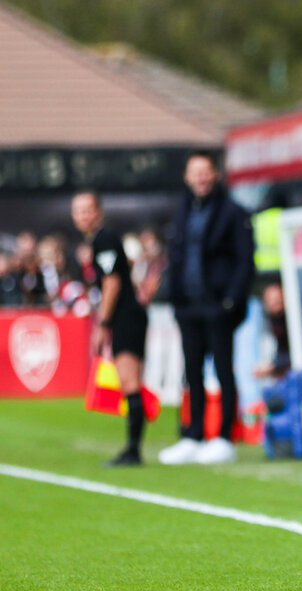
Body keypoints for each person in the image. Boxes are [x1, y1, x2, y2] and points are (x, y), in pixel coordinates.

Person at [159, 151, 255, 465]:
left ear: (214, 174)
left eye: (205, 171)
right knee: (192, 372)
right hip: (188, 306)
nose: (200, 178)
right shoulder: (182, 212)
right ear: (187, 178)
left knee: (224, 371)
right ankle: (193, 434)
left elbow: (244, 261)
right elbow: (176, 257)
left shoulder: (233, 212)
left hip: (218, 307)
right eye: (194, 172)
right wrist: (175, 297)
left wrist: (230, 300)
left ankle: (224, 436)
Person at [72, 191, 148, 466]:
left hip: (125, 316)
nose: (83, 216)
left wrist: (102, 323)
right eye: (78, 211)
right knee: (129, 381)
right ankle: (133, 448)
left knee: (129, 382)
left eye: (87, 210)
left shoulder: (104, 239)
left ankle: (133, 450)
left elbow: (112, 283)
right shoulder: (100, 240)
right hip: (127, 315)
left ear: (98, 211)